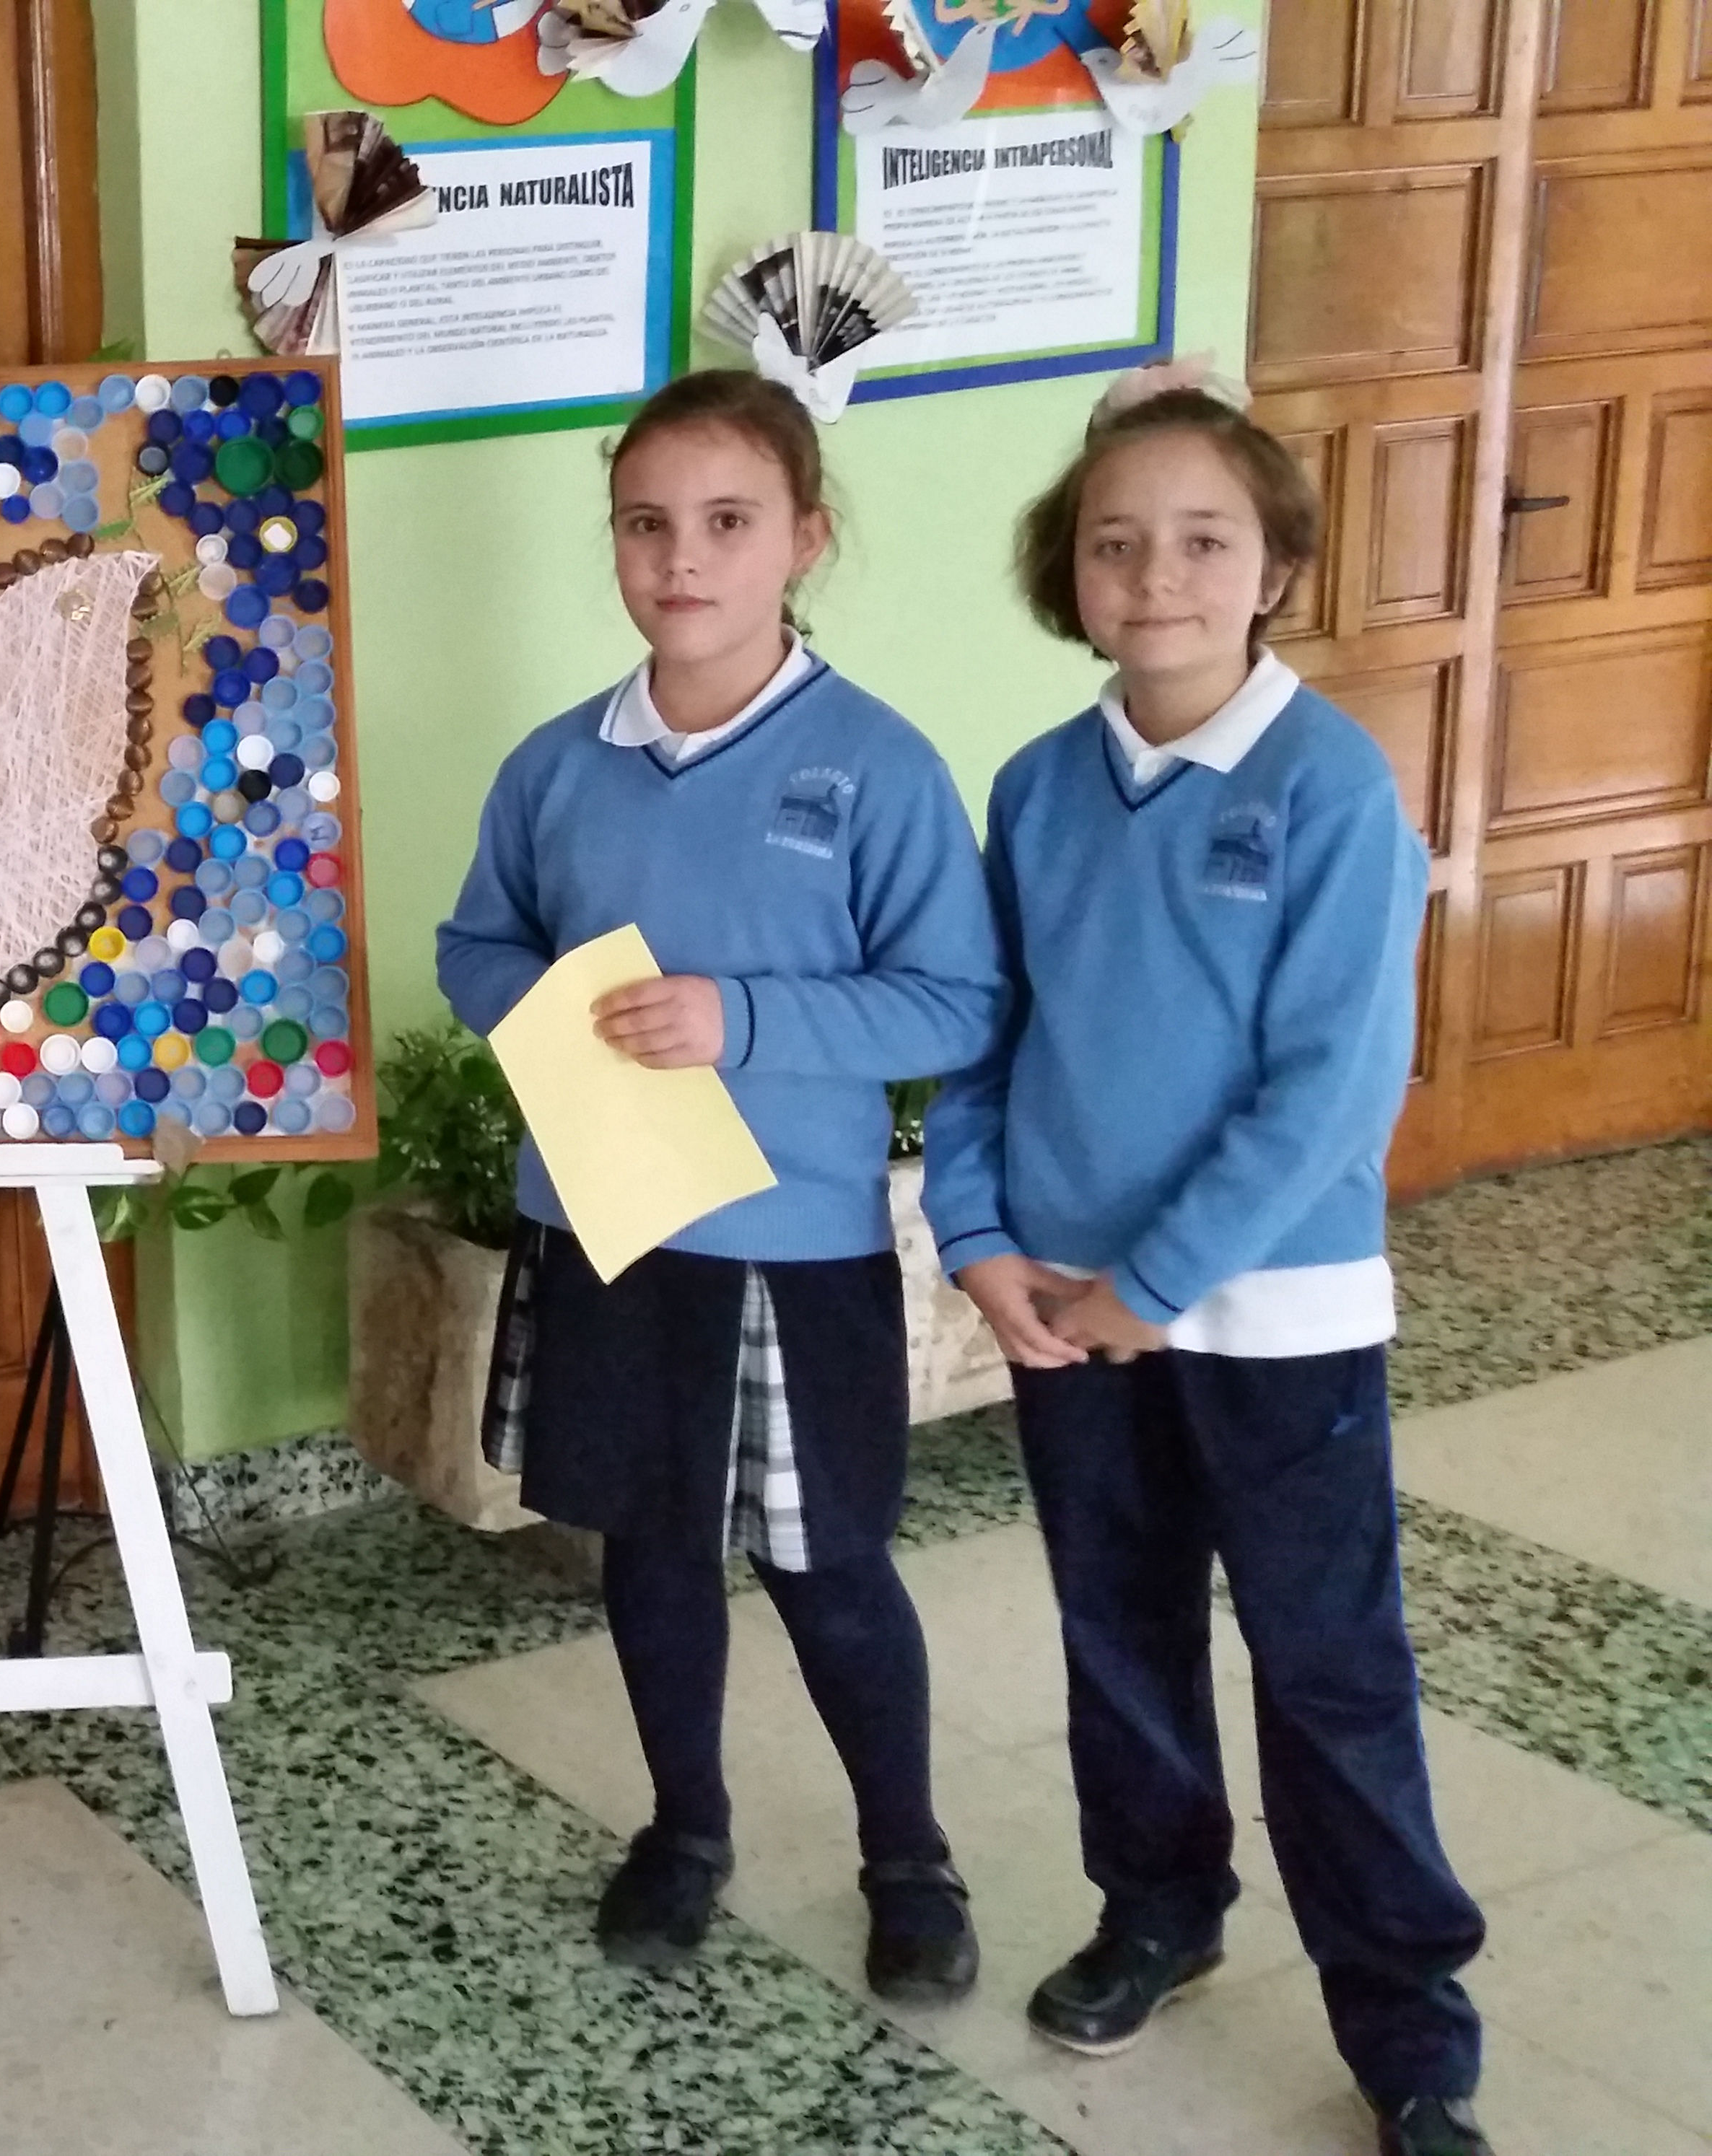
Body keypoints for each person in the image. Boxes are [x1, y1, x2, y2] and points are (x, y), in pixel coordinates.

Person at [925, 369, 1493, 2156]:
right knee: (1121, 1630)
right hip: (1066, 1311)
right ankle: (1157, 1909)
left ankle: (1406, 2027)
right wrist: (980, 1238)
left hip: (1272, 1313)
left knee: (1326, 1665)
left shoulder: (1333, 789)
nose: (1155, 576)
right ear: (1067, 574)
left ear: (1274, 569)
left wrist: (1151, 1284)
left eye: (1200, 540)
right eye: (1114, 543)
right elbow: (985, 1040)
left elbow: (1329, 1089)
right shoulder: (1036, 790)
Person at [435, 369, 1002, 1999]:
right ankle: (685, 1829)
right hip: (608, 1226)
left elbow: (954, 1004)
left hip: (791, 1244)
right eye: (646, 523)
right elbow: (475, 945)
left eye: (728, 522)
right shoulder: (557, 767)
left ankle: (909, 1856)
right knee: (651, 1545)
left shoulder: (875, 766)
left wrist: (735, 1019)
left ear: (805, 541)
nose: (681, 558)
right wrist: (551, 1010)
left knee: (828, 1566)